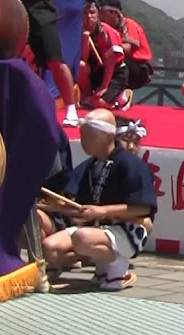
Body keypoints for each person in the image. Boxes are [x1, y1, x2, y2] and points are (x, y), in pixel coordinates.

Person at [38, 109, 155, 290]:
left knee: (82, 237)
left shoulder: (131, 164)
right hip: (99, 229)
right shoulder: (92, 165)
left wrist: (101, 211)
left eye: (88, 137)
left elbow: (142, 208)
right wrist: (57, 208)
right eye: (83, 136)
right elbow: (81, 206)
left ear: (108, 137)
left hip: (127, 230)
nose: (83, 141)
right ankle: (100, 265)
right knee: (49, 247)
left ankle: (117, 266)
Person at [78, 0, 132, 110]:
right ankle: (88, 95)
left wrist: (104, 86)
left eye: (92, 13)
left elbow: (111, 61)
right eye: (85, 13)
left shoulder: (106, 31)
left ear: (98, 15)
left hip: (115, 72)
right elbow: (84, 58)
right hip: (98, 69)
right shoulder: (79, 30)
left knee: (98, 103)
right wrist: (85, 39)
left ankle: (119, 99)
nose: (89, 16)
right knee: (80, 65)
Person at [97, 0, 154, 90]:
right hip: (118, 63)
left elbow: (127, 48)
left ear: (113, 12)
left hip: (138, 67)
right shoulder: (103, 29)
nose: (99, 15)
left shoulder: (128, 24)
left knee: (117, 64)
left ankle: (117, 93)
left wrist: (108, 47)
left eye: (102, 11)